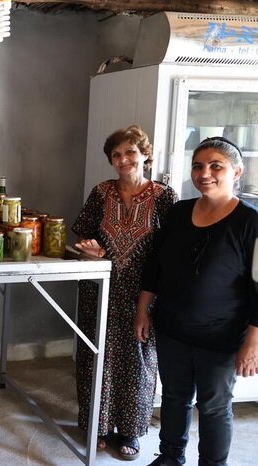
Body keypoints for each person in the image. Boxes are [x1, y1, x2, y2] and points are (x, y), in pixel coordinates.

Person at [135, 137, 258, 466]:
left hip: (220, 336)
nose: (205, 173)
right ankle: (171, 457)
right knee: (174, 397)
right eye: (198, 165)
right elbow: (156, 265)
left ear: (236, 172)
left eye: (216, 165)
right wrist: (142, 309)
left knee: (214, 406)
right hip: (172, 328)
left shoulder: (250, 222)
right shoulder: (179, 212)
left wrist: (252, 341)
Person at [73, 125, 177, 460]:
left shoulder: (164, 197)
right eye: (116, 155)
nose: (123, 160)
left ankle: (130, 431)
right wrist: (90, 248)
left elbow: (170, 250)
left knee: (139, 359)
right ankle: (97, 426)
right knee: (95, 353)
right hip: (100, 287)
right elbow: (82, 236)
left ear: (145, 154)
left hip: (143, 293)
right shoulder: (102, 192)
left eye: (130, 152)